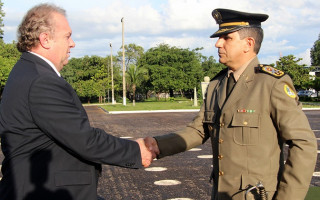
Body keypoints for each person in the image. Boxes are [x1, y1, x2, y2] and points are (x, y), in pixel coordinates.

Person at [145, 8, 317, 200]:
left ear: (248, 44)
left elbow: (303, 144)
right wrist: (157, 145)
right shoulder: (216, 85)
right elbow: (199, 130)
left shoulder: (272, 84)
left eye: (227, 38)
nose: (218, 44)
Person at [0, 4, 152, 200]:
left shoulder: (28, 71)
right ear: (45, 39)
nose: (72, 43)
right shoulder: (41, 81)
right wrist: (136, 151)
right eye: (67, 36)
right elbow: (84, 140)